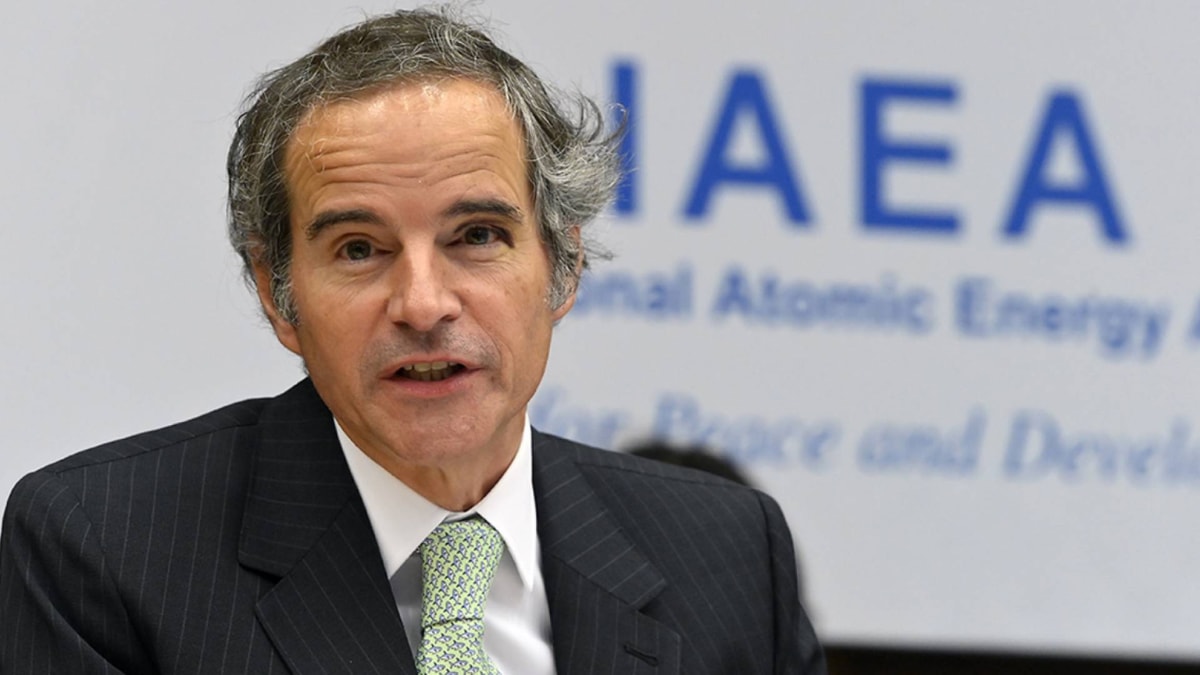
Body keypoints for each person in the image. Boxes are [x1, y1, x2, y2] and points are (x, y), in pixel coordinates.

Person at [0, 8, 825, 674]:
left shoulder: (728, 553)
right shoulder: (105, 546)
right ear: (277, 293)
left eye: (477, 235)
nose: (424, 304)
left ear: (564, 266)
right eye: (359, 248)